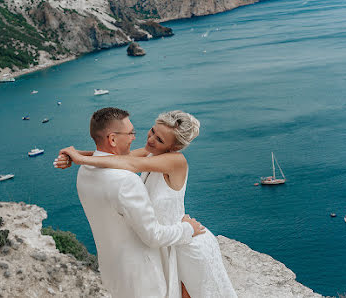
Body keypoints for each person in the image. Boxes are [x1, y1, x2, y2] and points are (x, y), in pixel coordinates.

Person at [55, 110, 237, 298]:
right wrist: (76, 154)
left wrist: (80, 159)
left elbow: (130, 165)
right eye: (152, 131)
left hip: (185, 244)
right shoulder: (150, 153)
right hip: (169, 243)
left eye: (159, 140)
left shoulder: (175, 160)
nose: (150, 139)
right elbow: (116, 158)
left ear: (173, 147)